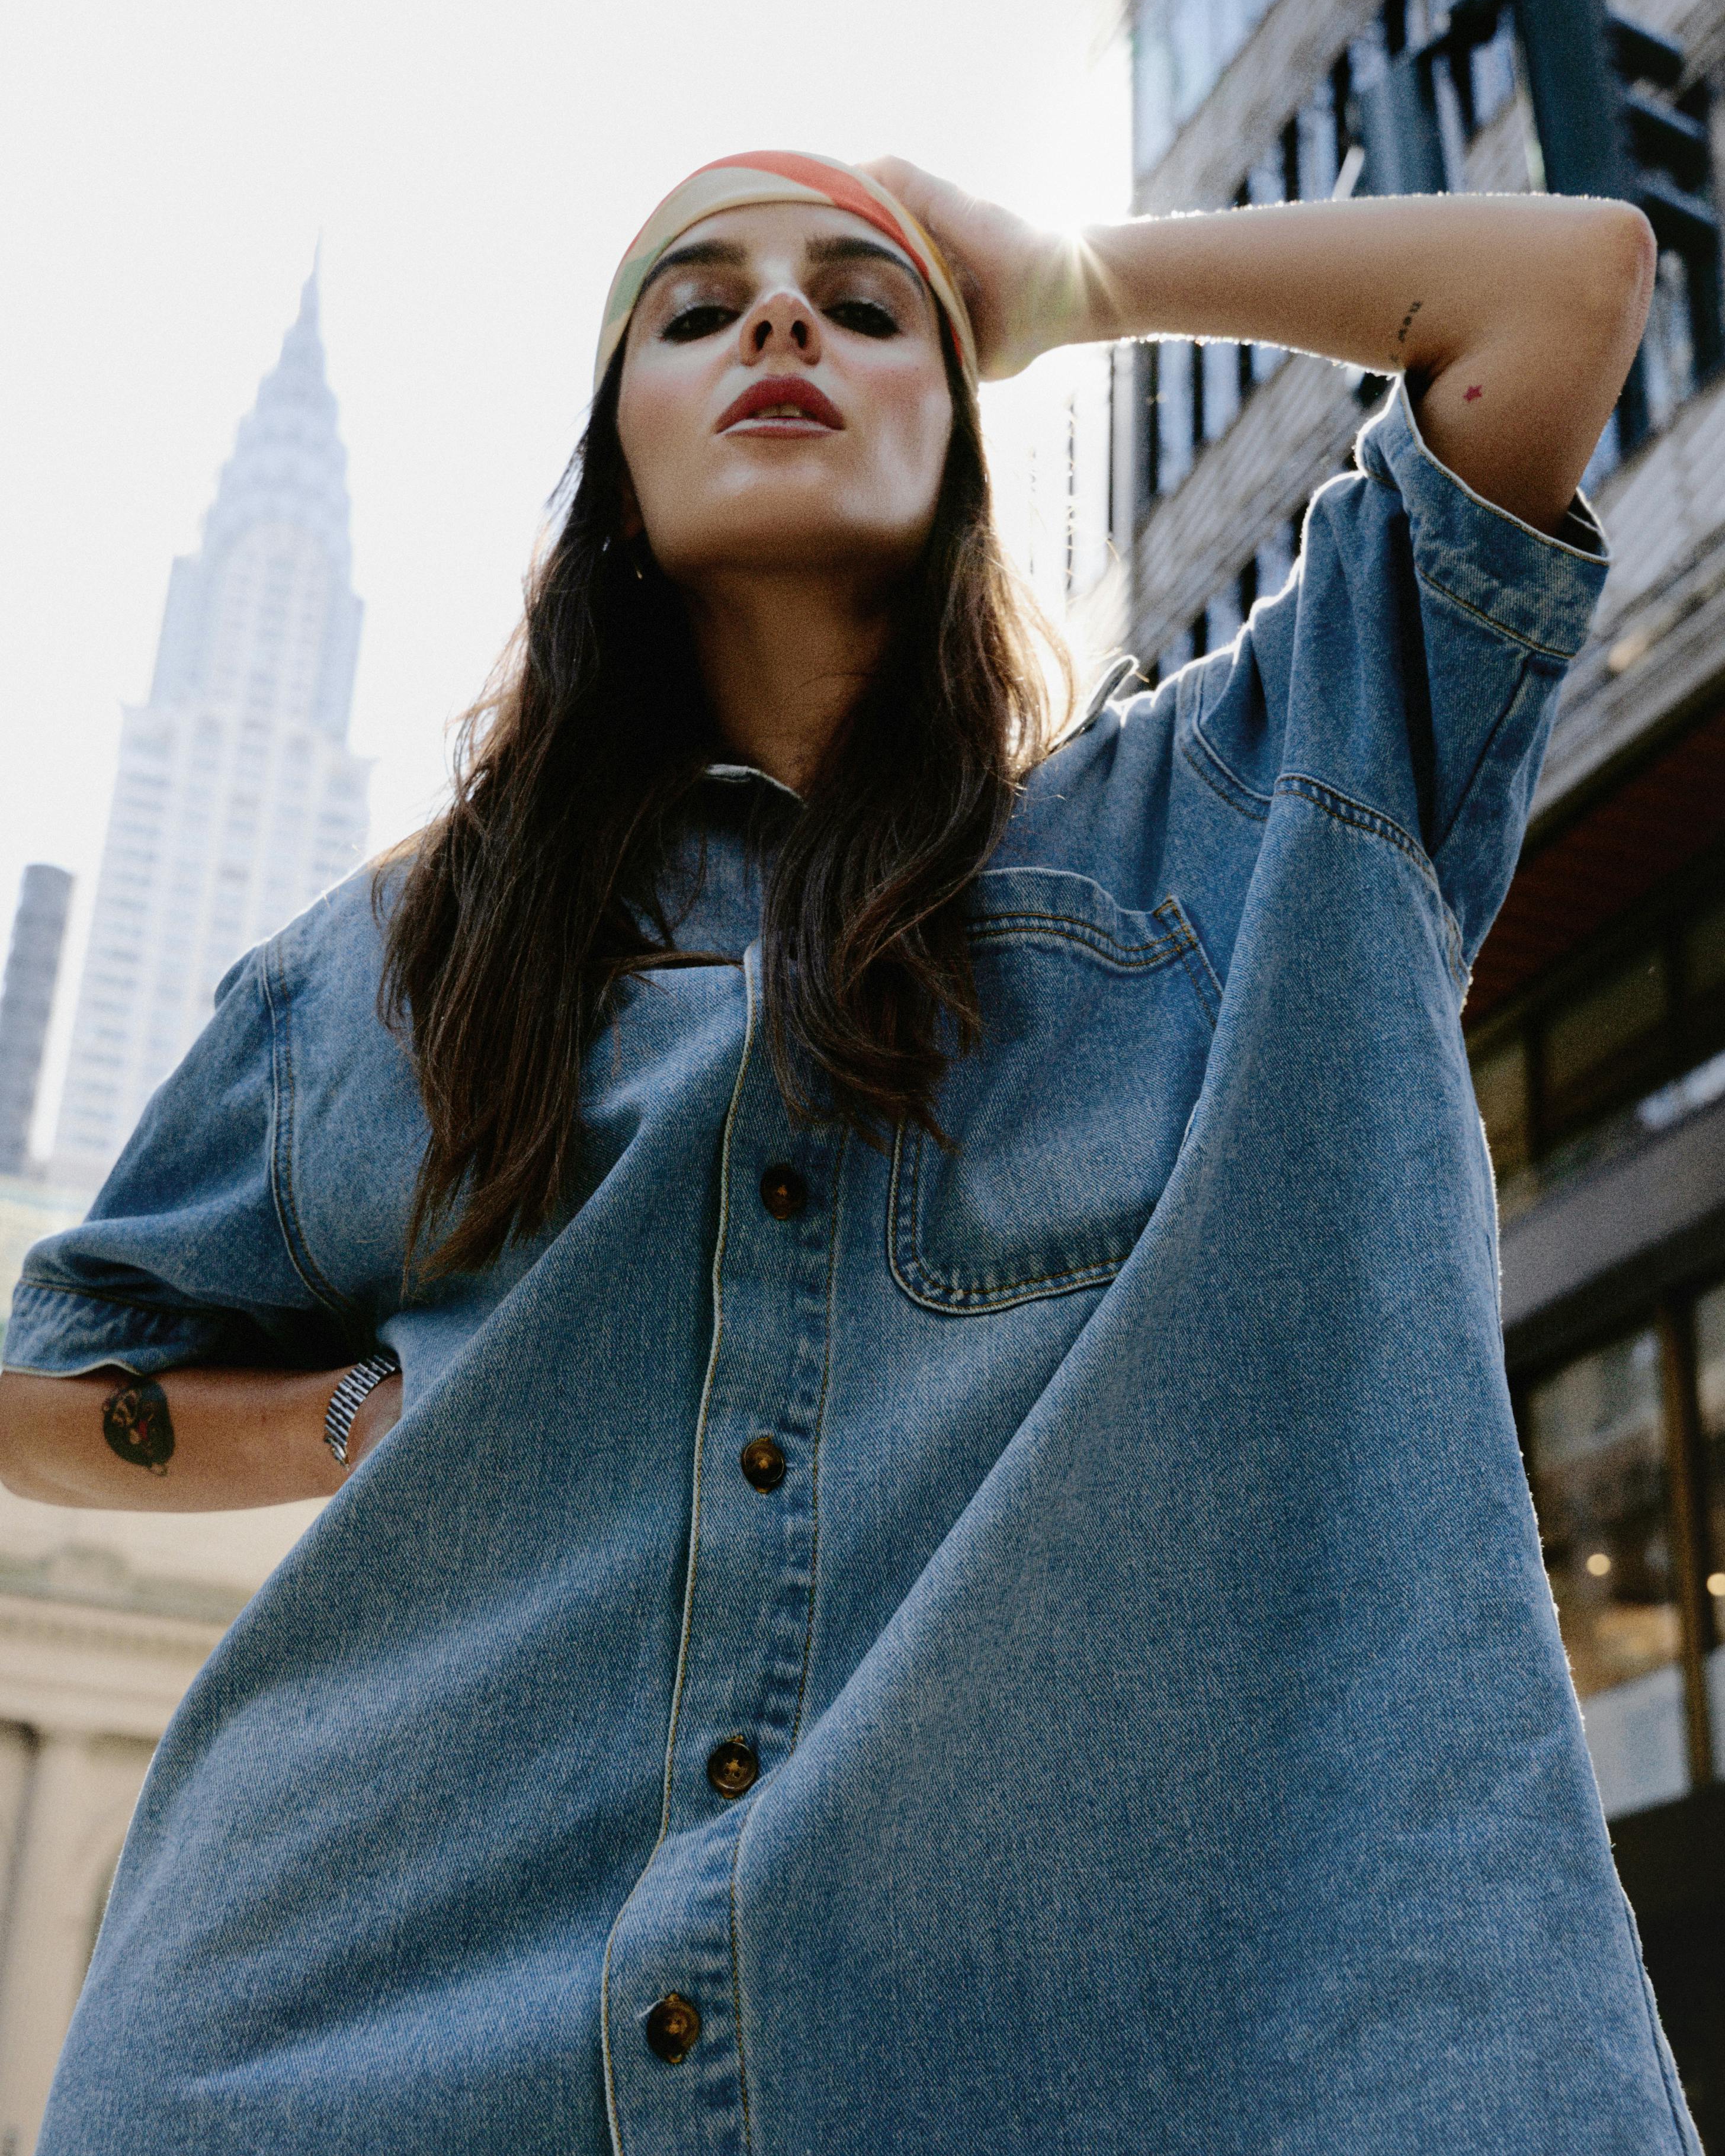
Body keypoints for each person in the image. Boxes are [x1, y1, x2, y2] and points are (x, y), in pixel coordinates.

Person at [0, 149, 1697, 2155]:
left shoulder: (1246, 814)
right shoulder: (390, 970)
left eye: (862, 304)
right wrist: (358, 1427)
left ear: (964, 418)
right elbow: (52, 1371)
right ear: (612, 458)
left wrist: (1056, 282)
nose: (780, 323)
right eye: (696, 309)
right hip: (345, 2044)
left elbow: (1565, 289)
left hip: (1115, 2065)